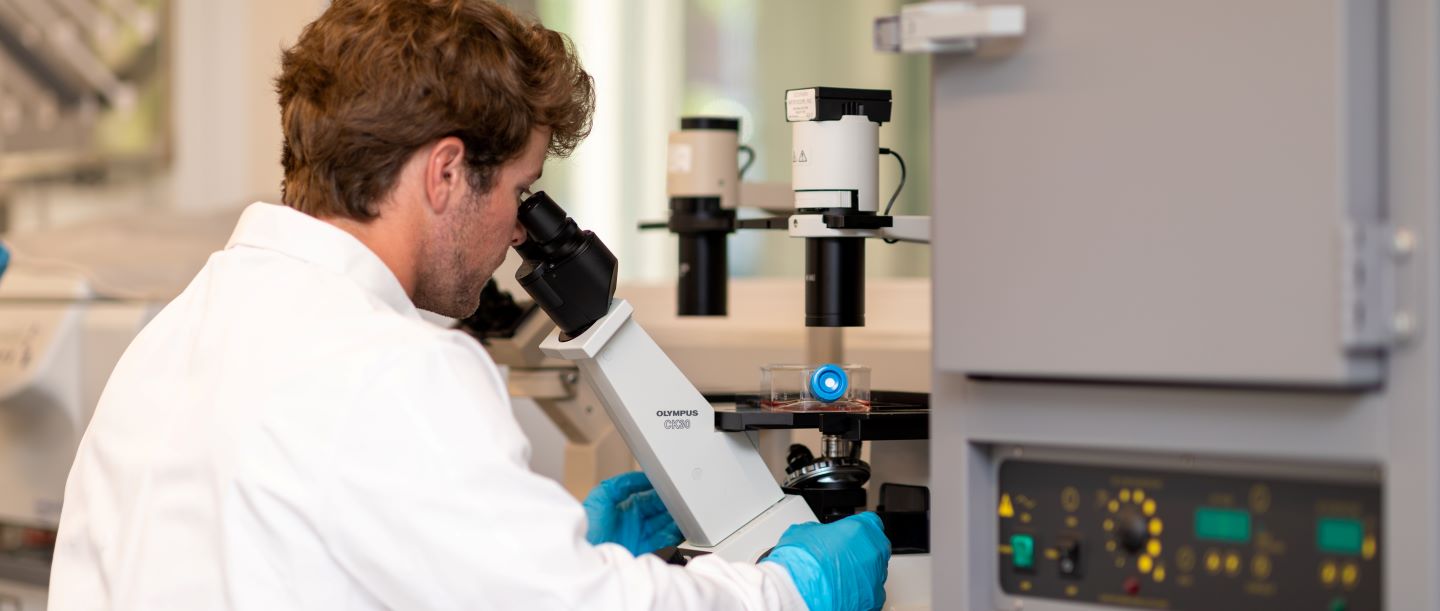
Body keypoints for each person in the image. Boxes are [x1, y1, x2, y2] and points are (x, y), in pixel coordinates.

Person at [48, 1, 890, 610]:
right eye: (521, 192)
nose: (514, 238)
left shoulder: (176, 336)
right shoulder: (392, 366)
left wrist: (554, 549)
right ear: (446, 172)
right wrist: (788, 590)